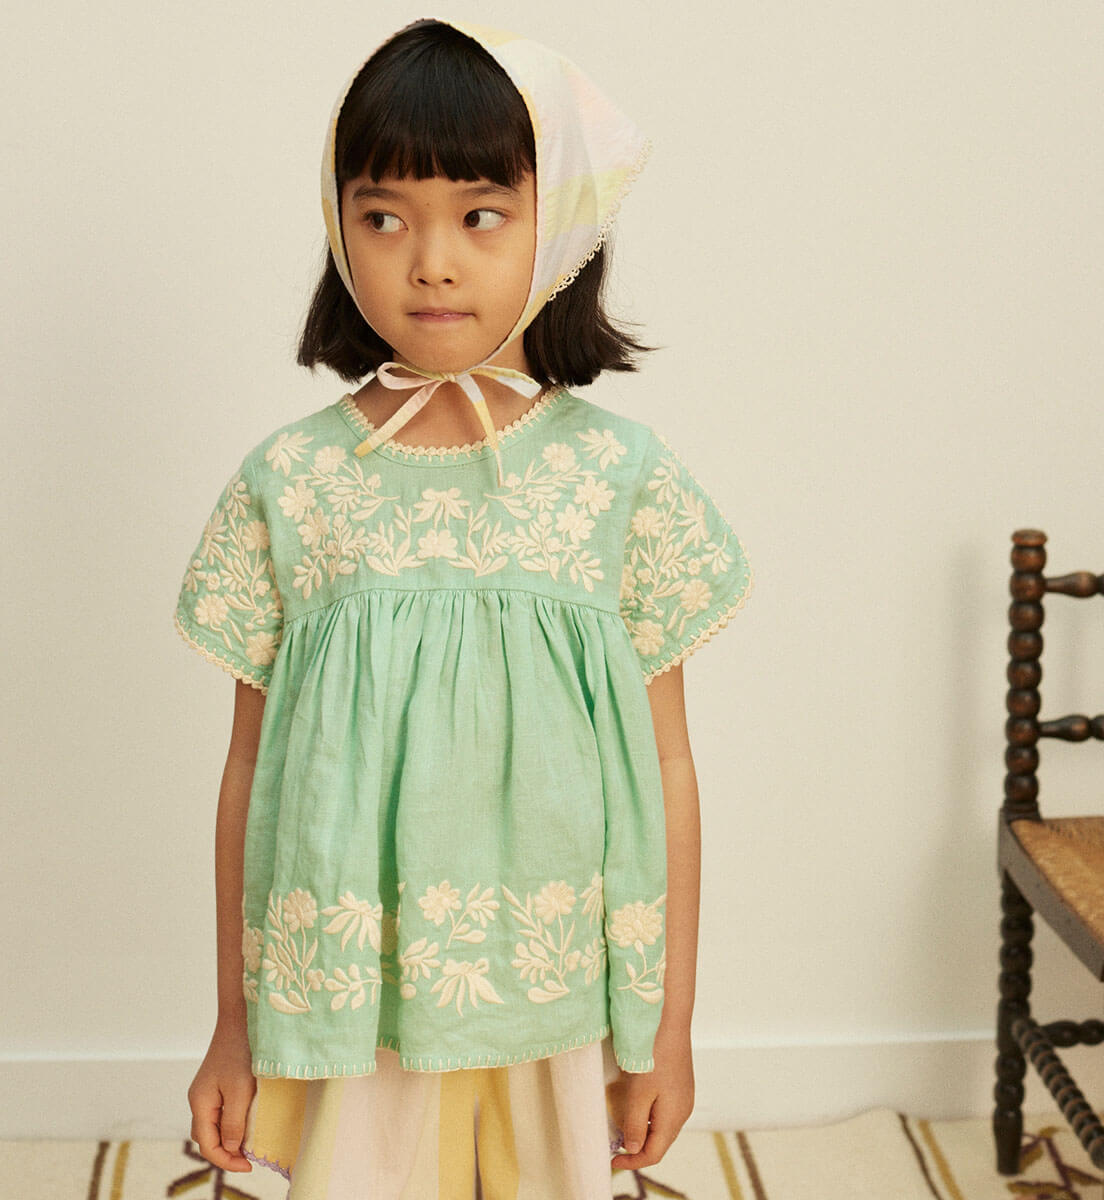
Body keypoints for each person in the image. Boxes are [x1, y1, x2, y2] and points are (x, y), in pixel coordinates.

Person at [178, 17, 752, 1199]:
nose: (430, 261)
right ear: (338, 227)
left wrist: (668, 1028)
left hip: (558, 993)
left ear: (560, 227)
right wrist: (233, 1024)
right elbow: (249, 771)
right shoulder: (294, 482)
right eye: (384, 217)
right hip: (356, 1001)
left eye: (481, 215)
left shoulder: (621, 480)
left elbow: (669, 768)